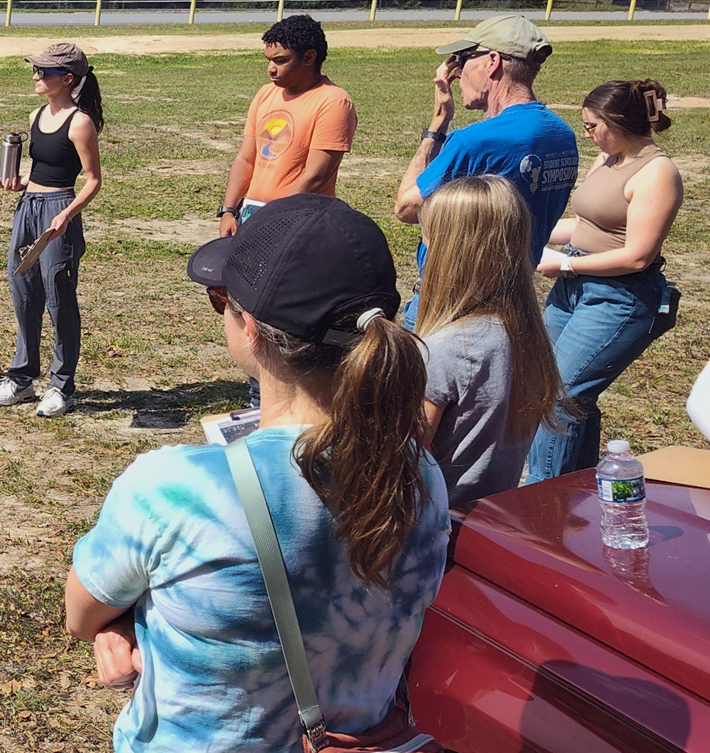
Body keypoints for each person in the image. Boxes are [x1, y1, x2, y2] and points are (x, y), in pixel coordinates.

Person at [69, 194, 448, 752]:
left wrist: (127, 622)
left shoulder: (172, 489)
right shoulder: (419, 477)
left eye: (219, 299)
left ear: (250, 328)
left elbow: (82, 612)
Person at [527, 79, 684, 483]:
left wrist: (565, 266)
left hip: (619, 298)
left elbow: (637, 255)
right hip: (574, 288)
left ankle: (544, 499)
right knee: (551, 386)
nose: (588, 135)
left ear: (616, 121)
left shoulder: (657, 172)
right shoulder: (609, 159)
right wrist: (529, 236)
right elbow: (585, 223)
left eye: (591, 126)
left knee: (560, 397)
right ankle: (575, 489)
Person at [394, 14, 577, 328]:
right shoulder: (562, 135)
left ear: (492, 62)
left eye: (463, 59)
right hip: (513, 300)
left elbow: (407, 208)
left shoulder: (475, 142)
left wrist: (439, 120)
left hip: (449, 302)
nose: (457, 72)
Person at [415, 175, 565, 508]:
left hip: (440, 529)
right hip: (494, 516)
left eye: (427, 236)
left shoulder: (444, 350)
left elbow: (404, 463)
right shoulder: (524, 335)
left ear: (448, 251)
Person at [0, 42, 105, 418]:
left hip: (58, 213)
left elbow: (92, 180)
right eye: (35, 70)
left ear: (67, 79)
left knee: (59, 300)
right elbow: (41, 170)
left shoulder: (80, 122)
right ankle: (21, 380)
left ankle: (61, 386)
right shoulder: (35, 114)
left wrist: (67, 214)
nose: (36, 76)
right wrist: (20, 183)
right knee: (23, 291)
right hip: (28, 209)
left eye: (44, 71)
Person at [217, 15, 355, 234]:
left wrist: (274, 218)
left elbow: (316, 176)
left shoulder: (334, 102)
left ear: (309, 58)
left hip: (299, 219)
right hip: (253, 214)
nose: (271, 69)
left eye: (281, 60)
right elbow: (246, 158)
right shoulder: (265, 94)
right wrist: (228, 211)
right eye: (269, 60)